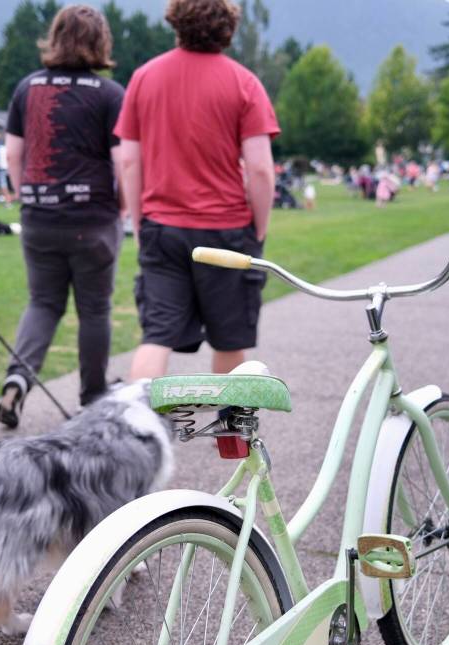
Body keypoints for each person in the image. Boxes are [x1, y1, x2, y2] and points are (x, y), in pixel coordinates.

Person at [116, 0, 278, 381]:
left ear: (176, 22)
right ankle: (230, 436)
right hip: (226, 231)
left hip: (162, 227)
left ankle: (140, 430)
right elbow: (259, 168)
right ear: (229, 26)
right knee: (229, 340)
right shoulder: (244, 83)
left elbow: (128, 161)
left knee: (156, 336)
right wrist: (261, 226)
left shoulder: (143, 78)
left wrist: (140, 223)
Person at [0, 4, 126, 426]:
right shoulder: (108, 94)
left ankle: (16, 382)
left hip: (38, 217)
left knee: (43, 302)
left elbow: (14, 154)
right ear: (100, 42)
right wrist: (122, 206)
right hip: (93, 220)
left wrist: (24, 194)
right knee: (95, 310)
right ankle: (93, 396)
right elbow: (123, 162)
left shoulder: (25, 89)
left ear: (55, 38)